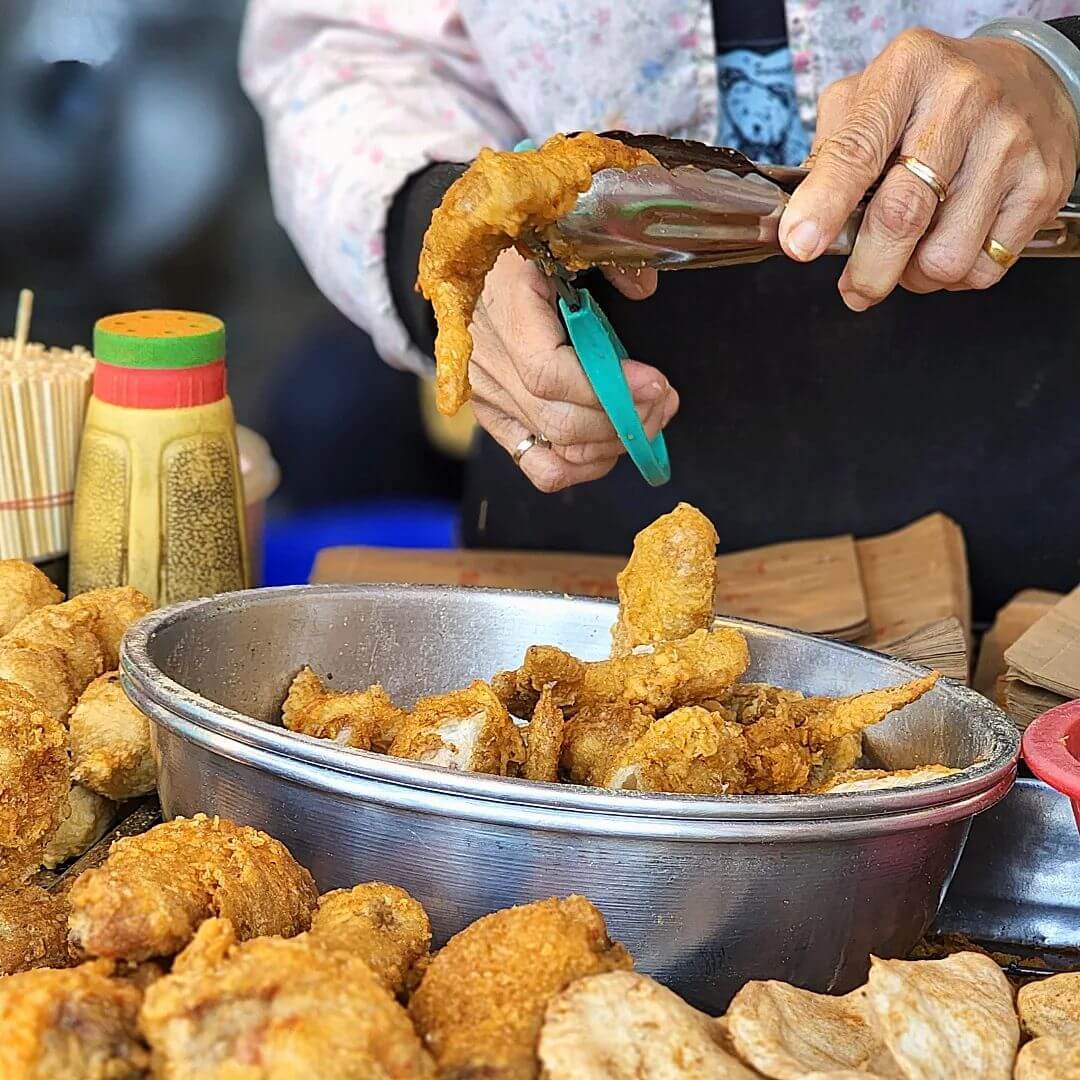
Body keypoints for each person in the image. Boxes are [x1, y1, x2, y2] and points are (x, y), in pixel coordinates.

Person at [241, 2, 1080, 619]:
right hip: (593, 458)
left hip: (1036, 436)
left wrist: (1061, 69)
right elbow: (346, 43)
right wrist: (447, 239)